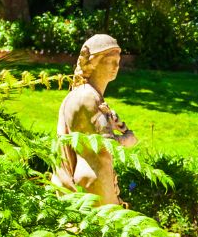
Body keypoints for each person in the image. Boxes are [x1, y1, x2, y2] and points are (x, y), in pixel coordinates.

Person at [52, 34, 137, 203]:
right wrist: (127, 138)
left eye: (118, 60)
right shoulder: (87, 96)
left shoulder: (87, 95)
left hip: (97, 179)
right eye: (110, 60)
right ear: (93, 62)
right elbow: (104, 145)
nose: (116, 66)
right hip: (94, 183)